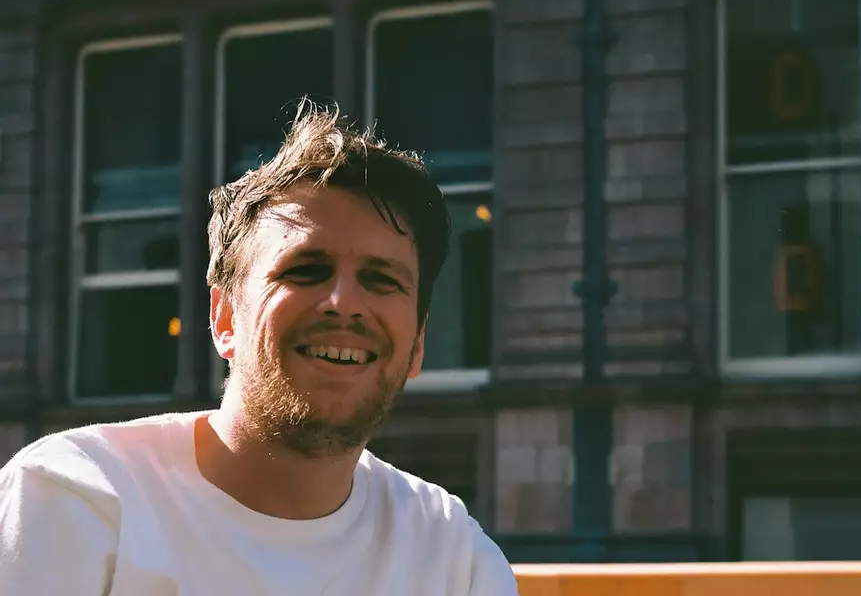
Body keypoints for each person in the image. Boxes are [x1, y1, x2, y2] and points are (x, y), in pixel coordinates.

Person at [0, 100, 519, 595]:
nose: (344, 303)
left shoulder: (452, 555)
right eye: (306, 270)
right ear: (224, 317)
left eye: (382, 280)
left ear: (418, 344)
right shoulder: (75, 498)